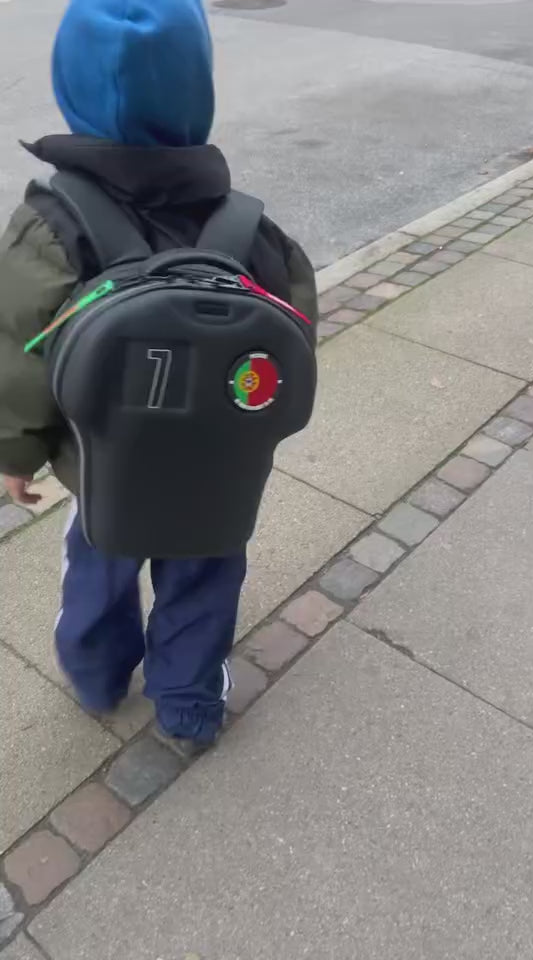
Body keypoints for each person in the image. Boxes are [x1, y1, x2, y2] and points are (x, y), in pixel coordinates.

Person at [0, 0, 318, 746]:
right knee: (206, 574)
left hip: (102, 466)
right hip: (219, 470)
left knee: (99, 566)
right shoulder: (251, 227)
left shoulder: (50, 224)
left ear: (71, 90)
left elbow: (19, 354)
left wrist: (14, 454)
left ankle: (97, 672)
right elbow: (294, 337)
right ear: (196, 92)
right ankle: (188, 700)